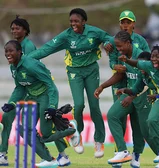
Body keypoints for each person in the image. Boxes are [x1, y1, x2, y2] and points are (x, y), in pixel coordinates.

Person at [27, 8, 111, 157]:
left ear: (84, 22)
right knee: (78, 104)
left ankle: (99, 141)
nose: (73, 23)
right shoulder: (67, 35)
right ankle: (76, 135)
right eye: (71, 21)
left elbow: (109, 38)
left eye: (76, 21)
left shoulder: (93, 32)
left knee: (94, 106)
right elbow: (47, 48)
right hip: (74, 72)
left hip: (91, 70)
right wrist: (26, 59)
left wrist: (107, 43)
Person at [1, 40, 79, 167]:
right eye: (6, 51)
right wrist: (12, 103)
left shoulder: (31, 65)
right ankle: (49, 159)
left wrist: (52, 107)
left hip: (46, 97)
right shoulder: (13, 67)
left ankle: (71, 130)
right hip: (32, 99)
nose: (8, 54)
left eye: (11, 51)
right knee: (24, 130)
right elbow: (20, 88)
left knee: (46, 135)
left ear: (20, 52)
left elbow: (51, 85)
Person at [103, 11, 151, 167]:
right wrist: (114, 65)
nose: (125, 25)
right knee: (118, 118)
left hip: (138, 84)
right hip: (120, 84)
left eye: (128, 22)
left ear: (133, 24)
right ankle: (120, 152)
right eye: (122, 22)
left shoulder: (141, 41)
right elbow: (111, 60)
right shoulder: (114, 40)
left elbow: (148, 61)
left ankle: (137, 154)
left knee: (137, 122)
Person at [0, 15, 37, 166]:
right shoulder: (12, 47)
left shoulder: (28, 47)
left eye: (18, 28)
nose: (14, 31)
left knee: (28, 127)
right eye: (12, 28)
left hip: (33, 90)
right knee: (7, 117)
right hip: (20, 89)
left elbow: (33, 70)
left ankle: (59, 152)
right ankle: (2, 154)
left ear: (25, 30)